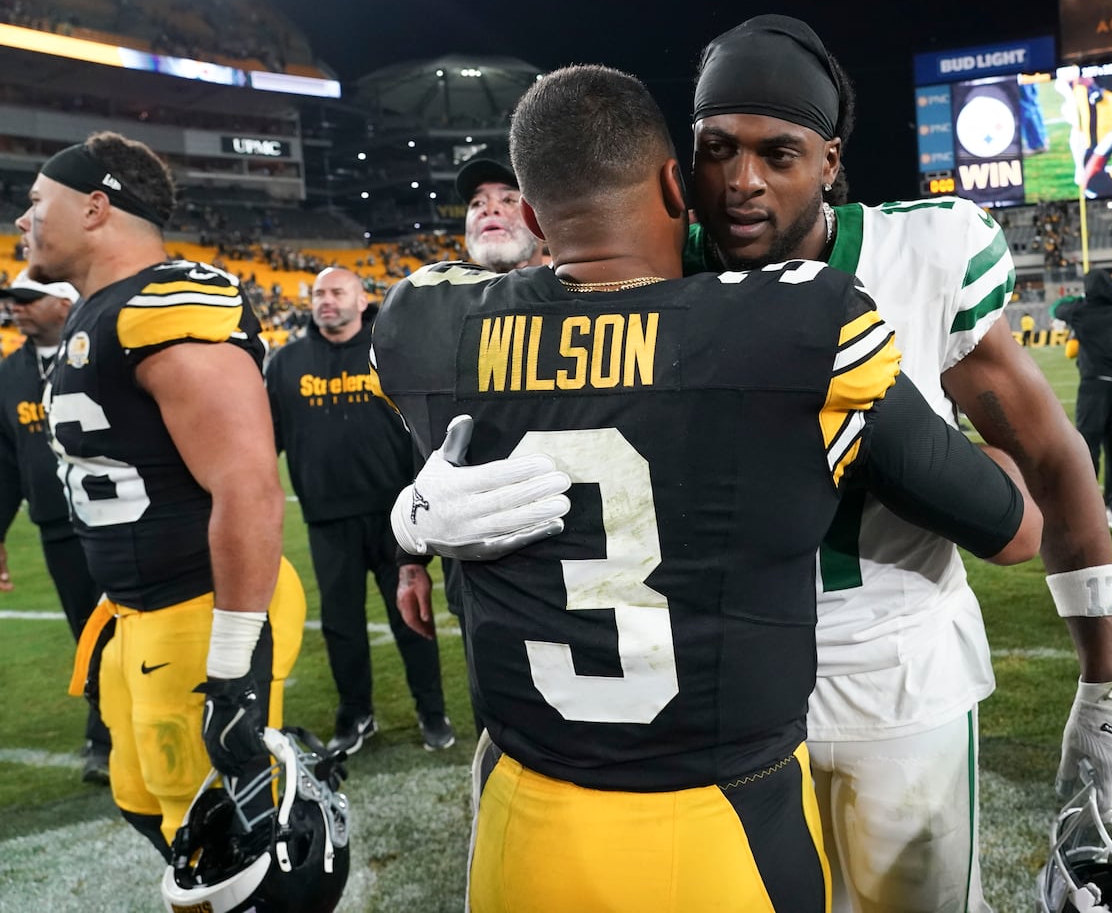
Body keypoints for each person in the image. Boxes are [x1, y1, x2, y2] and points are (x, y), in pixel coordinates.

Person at [372, 64, 1041, 912]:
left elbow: (463, 300)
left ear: (535, 219)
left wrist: (413, 519)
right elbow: (1012, 527)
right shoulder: (803, 324)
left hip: (520, 814)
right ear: (673, 184)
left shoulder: (423, 325)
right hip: (723, 828)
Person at [683, 16, 1112, 911]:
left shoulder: (924, 254)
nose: (741, 180)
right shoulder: (653, 269)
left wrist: (1105, 682)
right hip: (729, 683)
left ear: (829, 159)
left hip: (902, 669)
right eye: (716, 149)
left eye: (778, 152)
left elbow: (1048, 452)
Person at [19, 132, 304, 855]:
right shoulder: (96, 309)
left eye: (35, 202)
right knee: (142, 801)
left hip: (195, 608)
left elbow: (248, 485)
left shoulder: (167, 302)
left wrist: (235, 666)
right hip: (132, 611)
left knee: (219, 844)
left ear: (95, 206)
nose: (22, 219)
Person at [264, 266, 453, 754]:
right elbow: (269, 442)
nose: (326, 301)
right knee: (341, 626)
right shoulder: (286, 362)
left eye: (337, 292)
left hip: (395, 516)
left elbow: (419, 426)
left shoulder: (387, 350)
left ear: (361, 297)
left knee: (411, 618)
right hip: (328, 520)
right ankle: (355, 715)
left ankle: (432, 712)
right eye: (319, 293)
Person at [0, 271, 111, 783]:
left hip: (118, 520)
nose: (17, 308)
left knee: (132, 625)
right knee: (85, 635)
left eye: (29, 299)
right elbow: (5, 464)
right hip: (57, 528)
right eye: (13, 301)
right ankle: (105, 733)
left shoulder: (102, 352)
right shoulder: (8, 374)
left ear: (65, 305)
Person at [1060, 268, 1112, 530]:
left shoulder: (1082, 312)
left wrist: (1080, 301)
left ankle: (1084, 507)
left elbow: (1056, 310)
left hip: (1093, 386)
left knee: (1087, 447)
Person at [460, 157, 541, 272]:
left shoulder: (567, 286)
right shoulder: (439, 286)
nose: (490, 209)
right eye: (478, 203)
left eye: (508, 200)